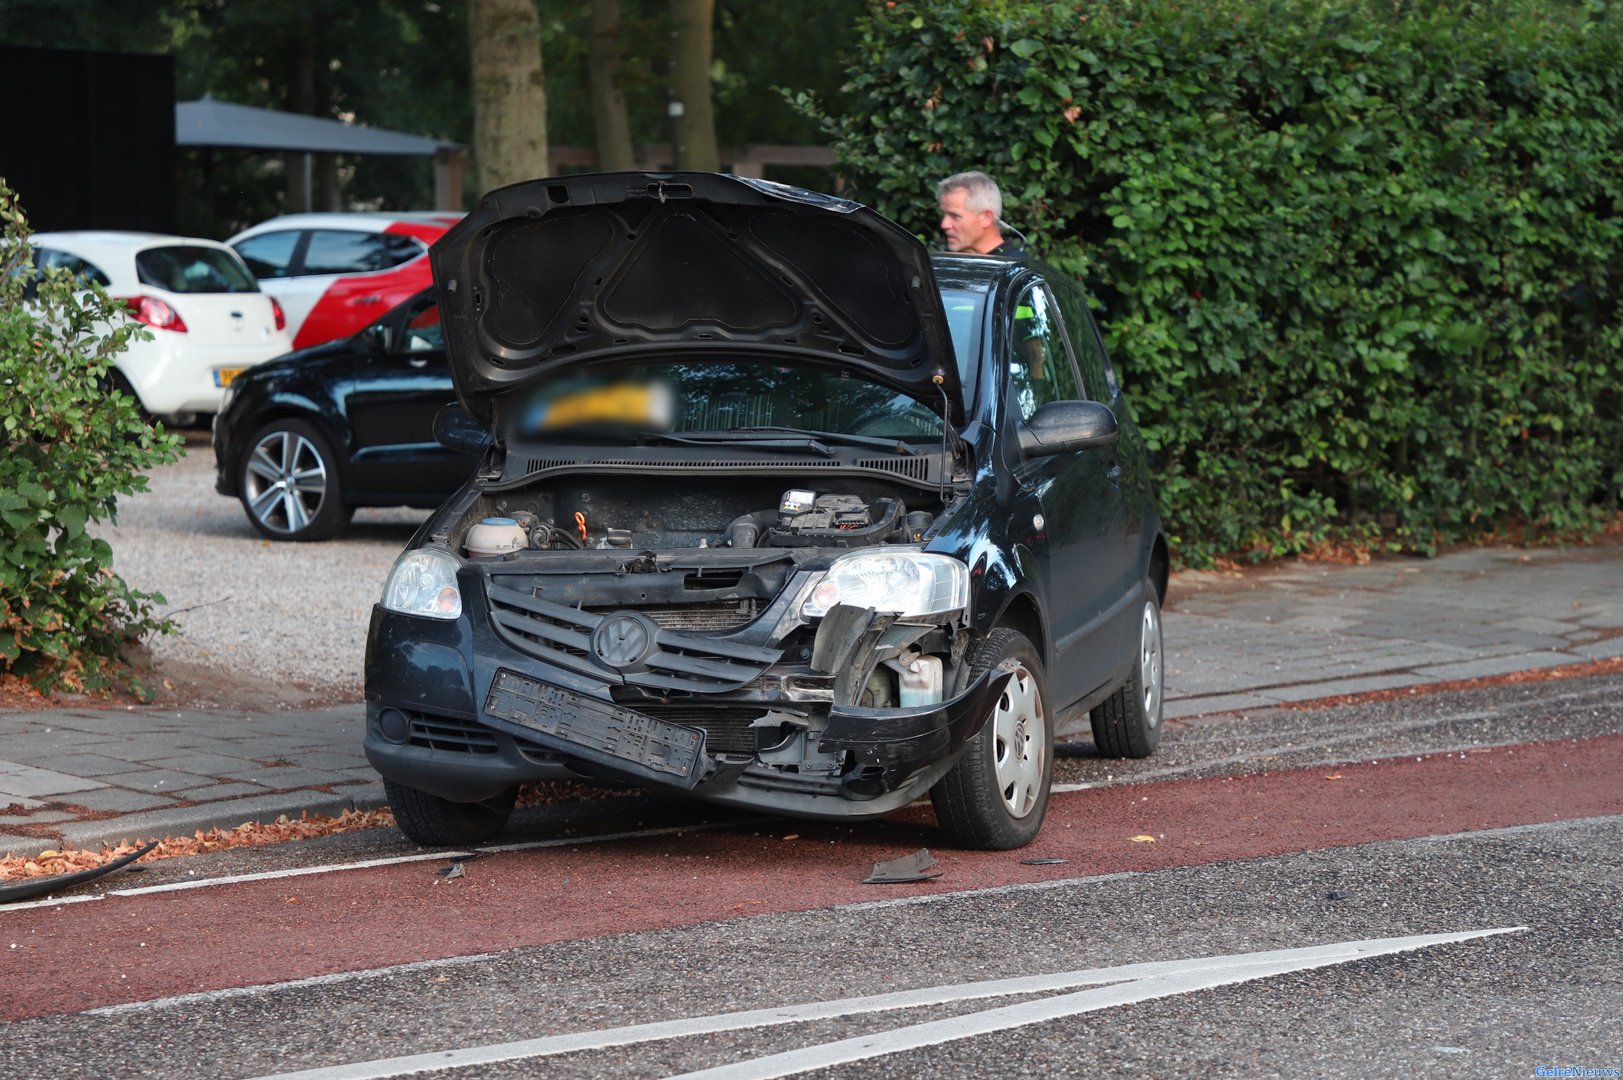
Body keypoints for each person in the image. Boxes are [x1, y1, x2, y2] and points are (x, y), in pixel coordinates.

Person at [937, 171, 1027, 258]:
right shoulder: (946, 264)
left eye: (955, 216)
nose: (944, 225)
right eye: (944, 215)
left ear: (986, 218)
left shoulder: (1018, 269)